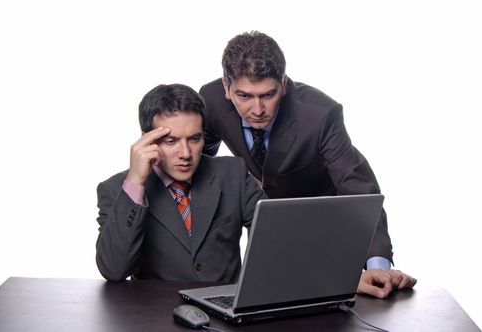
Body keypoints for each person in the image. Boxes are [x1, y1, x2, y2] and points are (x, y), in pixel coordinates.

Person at [199, 31, 417, 296]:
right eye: (244, 96)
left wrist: (378, 265)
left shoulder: (320, 114)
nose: (257, 110)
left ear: (284, 83)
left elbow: (358, 188)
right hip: (269, 225)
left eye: (268, 95)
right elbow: (201, 158)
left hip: (324, 222)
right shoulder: (210, 101)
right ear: (226, 86)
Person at [95, 83, 266, 282]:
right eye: (171, 141)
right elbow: (113, 270)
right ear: (147, 141)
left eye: (194, 139)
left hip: (224, 307)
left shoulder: (232, 173)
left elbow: (275, 236)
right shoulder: (116, 190)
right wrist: (136, 182)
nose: (185, 154)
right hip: (157, 310)